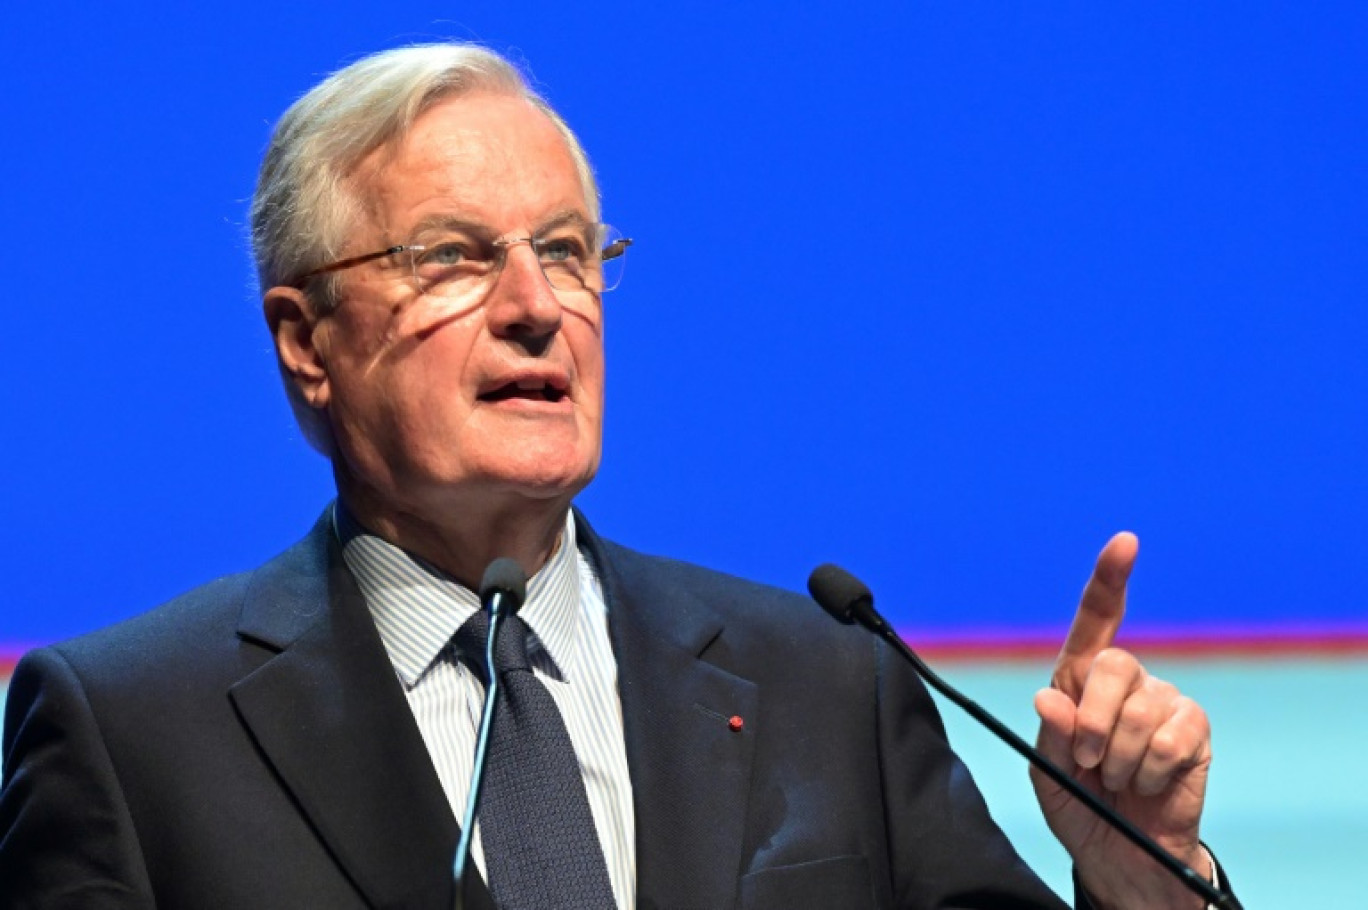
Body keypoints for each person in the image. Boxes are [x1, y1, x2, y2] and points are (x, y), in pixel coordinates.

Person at [0, 43, 1226, 910]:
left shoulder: (829, 684)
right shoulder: (131, 732)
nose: (538, 307)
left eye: (570, 252)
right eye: (453, 258)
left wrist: (1138, 878)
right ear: (307, 342)